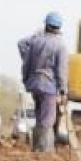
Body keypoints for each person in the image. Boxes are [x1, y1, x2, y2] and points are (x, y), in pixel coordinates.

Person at [18, 11, 68, 152]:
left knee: (40, 117)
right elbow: (62, 70)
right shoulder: (60, 46)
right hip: (49, 87)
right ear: (59, 28)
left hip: (34, 84)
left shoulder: (35, 42)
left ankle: (37, 149)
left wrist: (26, 80)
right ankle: (44, 152)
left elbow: (26, 64)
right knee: (47, 120)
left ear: (46, 25)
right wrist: (63, 90)